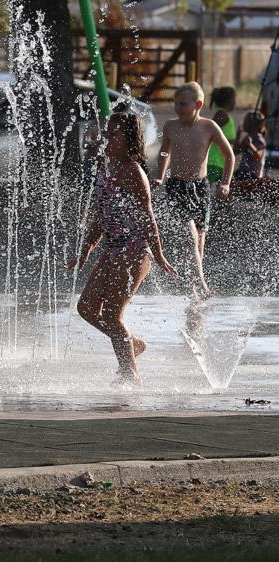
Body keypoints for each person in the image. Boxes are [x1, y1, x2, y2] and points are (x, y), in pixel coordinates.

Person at [71, 113, 176, 383]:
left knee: (111, 314)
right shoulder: (108, 168)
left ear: (129, 140)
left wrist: (159, 253)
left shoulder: (133, 172)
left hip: (134, 252)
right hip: (113, 249)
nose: (106, 139)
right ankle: (132, 344)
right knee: (86, 307)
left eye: (114, 134)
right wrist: (84, 253)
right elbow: (100, 216)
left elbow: (147, 217)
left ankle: (130, 374)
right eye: (106, 133)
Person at [152, 82, 235, 298]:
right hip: (177, 185)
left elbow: (229, 155)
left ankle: (192, 289)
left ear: (198, 104)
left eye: (182, 104)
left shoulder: (209, 127)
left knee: (199, 241)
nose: (177, 108)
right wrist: (159, 177)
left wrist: (225, 183)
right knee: (190, 238)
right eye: (176, 103)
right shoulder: (171, 126)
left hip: (201, 187)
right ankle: (202, 285)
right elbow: (164, 153)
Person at [206, 86, 237, 184]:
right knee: (228, 191)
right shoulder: (222, 114)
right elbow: (209, 131)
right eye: (234, 98)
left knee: (226, 192)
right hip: (215, 161)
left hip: (222, 161)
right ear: (230, 100)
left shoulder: (223, 114)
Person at [234, 111, 267, 180]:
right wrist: (238, 137)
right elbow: (235, 152)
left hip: (253, 175)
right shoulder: (248, 137)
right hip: (243, 171)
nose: (244, 124)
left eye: (246, 122)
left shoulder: (259, 138)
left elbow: (258, 157)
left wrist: (251, 145)